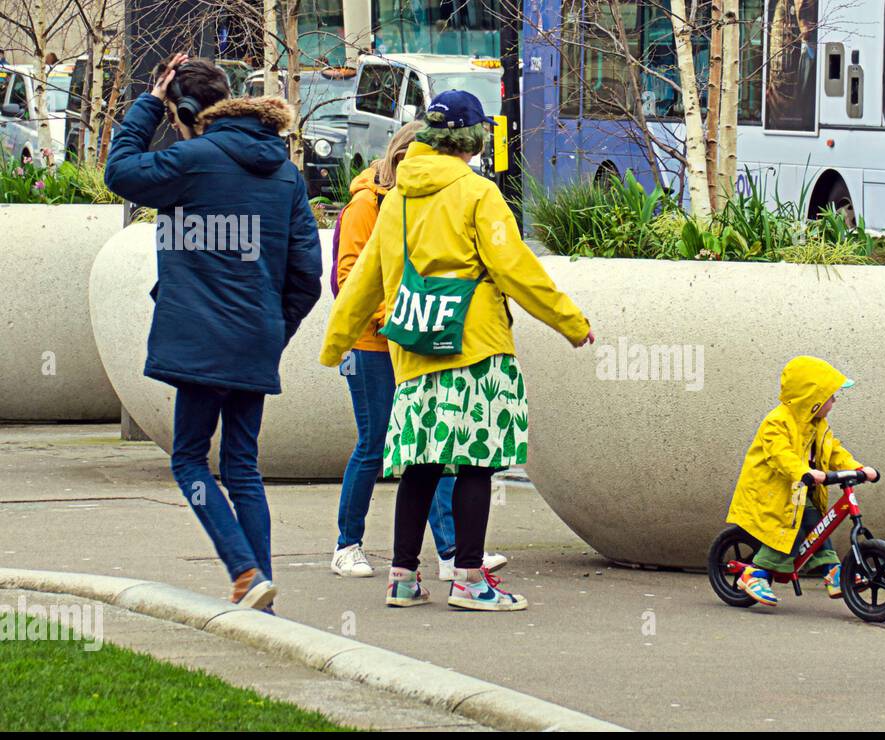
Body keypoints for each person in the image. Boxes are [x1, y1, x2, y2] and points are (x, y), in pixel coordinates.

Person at [320, 90, 593, 612]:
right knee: (476, 462)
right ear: (471, 139)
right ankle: (469, 579)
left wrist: (335, 346)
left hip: (414, 347)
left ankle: (402, 578)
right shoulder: (478, 192)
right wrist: (570, 322)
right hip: (475, 347)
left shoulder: (396, 197)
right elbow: (515, 268)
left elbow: (363, 284)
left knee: (420, 464)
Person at [104, 54, 322, 611]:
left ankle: (246, 571)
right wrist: (273, 331)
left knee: (189, 460)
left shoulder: (193, 159)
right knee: (243, 465)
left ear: (185, 109)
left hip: (201, 342)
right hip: (255, 341)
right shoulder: (285, 173)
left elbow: (120, 171)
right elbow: (306, 277)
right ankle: (261, 586)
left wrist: (148, 102)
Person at [330, 119, 506, 579]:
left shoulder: (420, 199)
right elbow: (348, 279)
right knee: (374, 446)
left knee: (435, 445)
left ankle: (450, 552)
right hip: (375, 344)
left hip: (419, 339)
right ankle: (347, 544)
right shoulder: (366, 205)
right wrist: (394, 317)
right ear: (403, 157)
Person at [726, 355, 878, 606]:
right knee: (791, 525)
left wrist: (858, 468)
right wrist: (803, 471)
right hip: (772, 491)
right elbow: (780, 455)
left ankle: (832, 570)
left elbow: (834, 450)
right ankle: (754, 573)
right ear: (814, 400)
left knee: (815, 522)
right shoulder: (777, 421)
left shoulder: (818, 423)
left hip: (798, 489)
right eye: (830, 396)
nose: (834, 401)